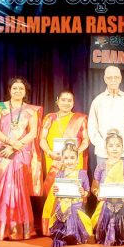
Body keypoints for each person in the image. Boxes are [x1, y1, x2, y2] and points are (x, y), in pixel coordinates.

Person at [0, 77, 43, 241]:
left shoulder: (31, 110)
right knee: (4, 189)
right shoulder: (0, 106)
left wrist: (15, 147)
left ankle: (20, 228)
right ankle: (2, 227)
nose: (18, 91)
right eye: (15, 88)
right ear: (10, 90)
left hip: (20, 153)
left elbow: (32, 133)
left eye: (21, 89)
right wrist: (11, 144)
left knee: (19, 189)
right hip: (2, 152)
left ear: (25, 92)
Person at [40, 90, 89, 235]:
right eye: (63, 100)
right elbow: (42, 139)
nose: (66, 103)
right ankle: (52, 227)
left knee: (73, 192)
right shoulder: (50, 117)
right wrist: (49, 152)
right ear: (57, 101)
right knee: (54, 192)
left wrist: (74, 154)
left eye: (69, 100)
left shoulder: (80, 118)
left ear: (73, 103)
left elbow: (86, 141)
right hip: (54, 159)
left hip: (73, 161)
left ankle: (74, 227)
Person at [91, 129, 124, 246]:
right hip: (105, 203)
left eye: (118, 145)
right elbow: (94, 186)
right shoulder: (101, 166)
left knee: (122, 233)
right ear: (106, 148)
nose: (115, 148)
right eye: (111, 146)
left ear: (122, 148)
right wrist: (97, 194)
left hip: (122, 202)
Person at [88, 65, 124, 164]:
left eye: (116, 77)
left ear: (120, 79)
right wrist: (104, 146)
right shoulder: (97, 101)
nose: (113, 80)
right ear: (105, 79)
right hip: (103, 153)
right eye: (110, 78)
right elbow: (92, 127)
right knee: (103, 180)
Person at [48, 141, 92, 247]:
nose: (69, 161)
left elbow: (87, 191)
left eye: (72, 158)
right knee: (62, 213)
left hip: (76, 206)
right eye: (66, 158)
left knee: (73, 213)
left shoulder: (82, 174)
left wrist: (84, 193)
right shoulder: (60, 174)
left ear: (77, 160)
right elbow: (57, 193)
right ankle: (63, 235)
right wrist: (55, 191)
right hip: (62, 206)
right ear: (62, 159)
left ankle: (75, 235)